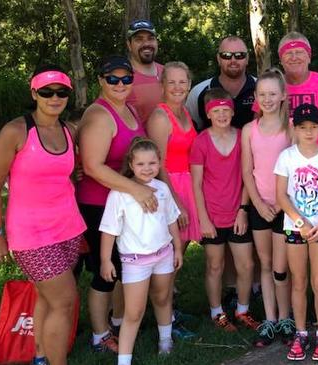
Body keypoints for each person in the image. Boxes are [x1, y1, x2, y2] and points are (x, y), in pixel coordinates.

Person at [0, 65, 86, 365]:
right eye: (47, 92)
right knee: (65, 301)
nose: (54, 97)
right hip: (31, 235)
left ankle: (40, 356)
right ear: (34, 93)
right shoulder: (16, 131)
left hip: (67, 228)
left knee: (47, 298)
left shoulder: (69, 130)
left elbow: (64, 174)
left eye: (61, 92)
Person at [77, 55, 151, 353]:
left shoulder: (129, 108)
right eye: (113, 79)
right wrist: (136, 189)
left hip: (121, 204)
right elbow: (93, 166)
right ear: (100, 81)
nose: (120, 84)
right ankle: (99, 334)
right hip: (98, 205)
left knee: (122, 267)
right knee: (105, 272)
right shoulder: (99, 116)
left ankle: (118, 321)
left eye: (126, 78)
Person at [99, 138, 183, 365]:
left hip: (164, 255)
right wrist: (106, 260)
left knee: (163, 298)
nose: (147, 169)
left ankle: (165, 342)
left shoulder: (163, 188)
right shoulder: (120, 194)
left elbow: (171, 221)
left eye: (152, 163)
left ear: (159, 163)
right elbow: (109, 230)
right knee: (134, 311)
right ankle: (124, 360)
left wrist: (178, 249)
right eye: (141, 164)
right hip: (135, 261)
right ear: (131, 164)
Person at [275, 103, 318, 361]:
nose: (308, 132)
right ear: (294, 128)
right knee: (299, 281)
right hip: (296, 227)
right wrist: (299, 221)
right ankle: (301, 333)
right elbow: (280, 195)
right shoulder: (287, 157)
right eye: (303, 127)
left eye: (313, 127)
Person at [191, 88, 259, 331]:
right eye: (216, 111)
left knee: (246, 265)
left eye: (225, 110)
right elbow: (196, 184)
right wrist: (204, 220)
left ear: (232, 111)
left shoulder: (242, 137)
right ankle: (216, 311)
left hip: (237, 212)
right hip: (212, 214)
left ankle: (242, 309)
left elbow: (247, 176)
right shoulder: (200, 141)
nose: (221, 115)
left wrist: (243, 209)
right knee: (215, 265)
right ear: (208, 114)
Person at [146, 61, 200, 339]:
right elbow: (158, 166)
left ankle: (171, 308)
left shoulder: (186, 113)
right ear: (162, 85)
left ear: (189, 85)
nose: (178, 87)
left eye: (183, 82)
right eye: (172, 82)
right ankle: (164, 318)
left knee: (178, 254)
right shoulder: (160, 117)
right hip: (169, 190)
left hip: (187, 185)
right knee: (168, 256)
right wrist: (175, 202)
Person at [242, 69, 295, 347]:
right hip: (260, 206)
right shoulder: (249, 130)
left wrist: (281, 203)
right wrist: (258, 205)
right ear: (256, 97)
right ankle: (270, 319)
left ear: (283, 95)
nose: (267, 99)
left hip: (285, 206)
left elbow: (298, 169)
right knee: (265, 264)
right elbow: (247, 172)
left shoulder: (292, 128)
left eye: (273, 93)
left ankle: (287, 317)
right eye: (262, 94)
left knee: (280, 267)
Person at [277, 31, 318, 145]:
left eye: (299, 52)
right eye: (288, 53)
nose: (294, 57)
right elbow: (259, 121)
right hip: (281, 158)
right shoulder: (272, 86)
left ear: (309, 57)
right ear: (281, 60)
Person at [186, 35, 256, 130]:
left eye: (239, 55)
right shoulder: (198, 93)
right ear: (218, 59)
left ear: (247, 59)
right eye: (226, 55)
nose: (233, 60)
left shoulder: (262, 89)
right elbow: (190, 130)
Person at [125, 19, 164, 122]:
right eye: (139, 39)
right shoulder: (121, 78)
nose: (146, 43)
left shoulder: (167, 72)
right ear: (129, 45)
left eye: (151, 38)